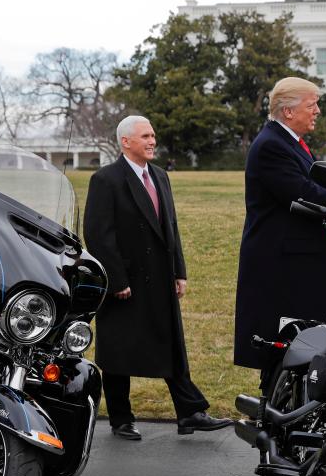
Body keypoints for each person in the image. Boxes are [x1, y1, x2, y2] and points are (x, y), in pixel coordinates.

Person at [83, 115, 232, 440]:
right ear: (126, 142)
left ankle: (190, 412)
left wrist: (179, 270)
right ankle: (121, 418)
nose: (153, 141)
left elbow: (171, 228)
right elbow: (97, 235)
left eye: (153, 135)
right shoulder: (106, 180)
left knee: (171, 345)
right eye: (145, 136)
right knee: (119, 349)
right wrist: (117, 279)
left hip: (160, 279)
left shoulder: (161, 176)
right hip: (125, 284)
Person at [233, 76, 326, 375]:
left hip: (299, 264)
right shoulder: (272, 145)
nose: (318, 111)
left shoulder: (288, 141)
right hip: (285, 271)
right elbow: (304, 194)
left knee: (306, 344)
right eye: (312, 105)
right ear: (288, 111)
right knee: (286, 346)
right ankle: (276, 415)